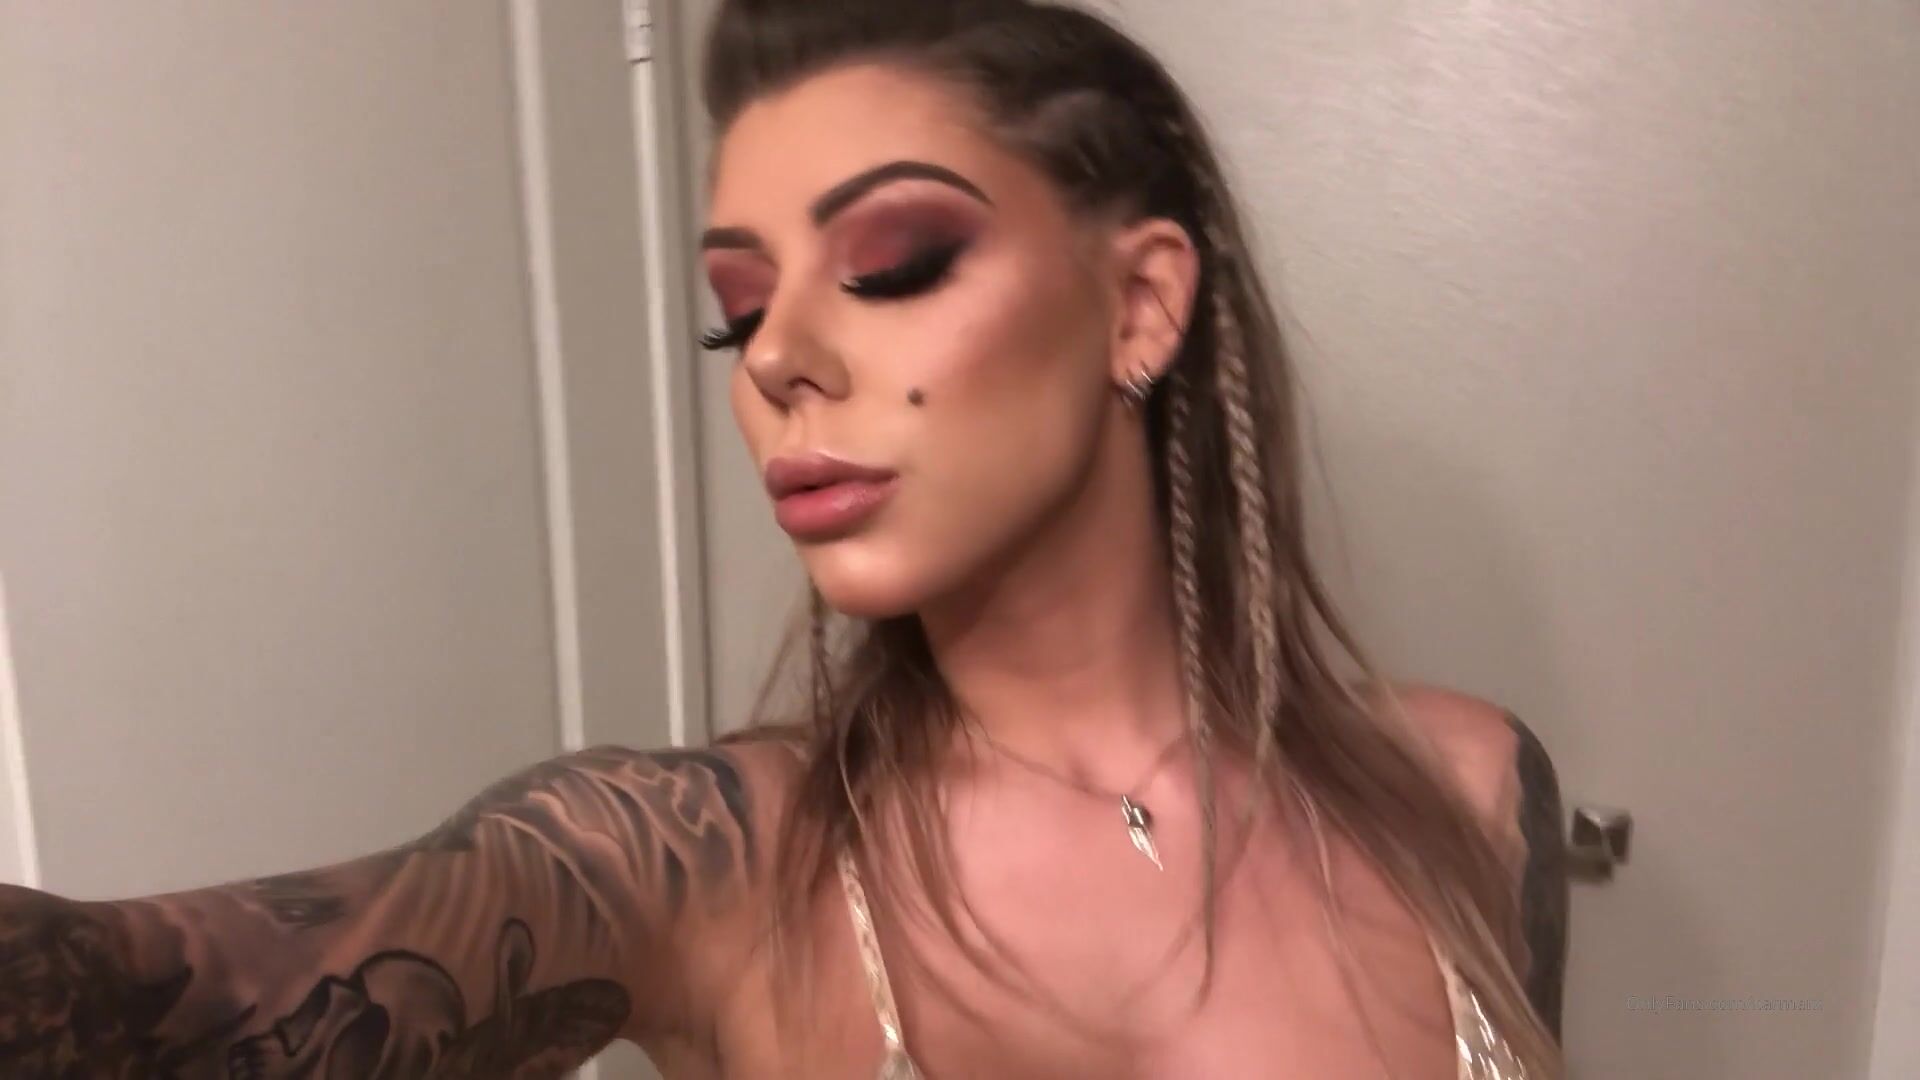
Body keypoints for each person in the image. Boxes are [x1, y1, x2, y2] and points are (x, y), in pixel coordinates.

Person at [0, 1, 1568, 1076]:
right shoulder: (702, 865)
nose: (774, 360)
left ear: (1141, 303)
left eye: (892, 263)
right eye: (736, 310)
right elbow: (178, 997)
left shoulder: (1473, 791)